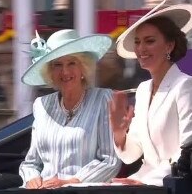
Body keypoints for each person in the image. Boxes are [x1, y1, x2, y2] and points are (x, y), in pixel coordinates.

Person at [109, 0, 192, 186]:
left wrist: (146, 183)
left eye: (150, 41)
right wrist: (119, 134)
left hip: (174, 183)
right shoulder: (143, 90)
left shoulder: (186, 86)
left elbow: (187, 151)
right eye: (137, 42)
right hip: (144, 180)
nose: (141, 49)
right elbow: (132, 155)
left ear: (169, 46)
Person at [19, 29, 121, 189]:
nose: (65, 71)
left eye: (71, 63)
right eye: (57, 65)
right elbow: (31, 163)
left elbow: (110, 160)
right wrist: (32, 179)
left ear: (83, 68)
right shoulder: (41, 105)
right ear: (50, 72)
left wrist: (71, 182)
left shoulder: (103, 100)